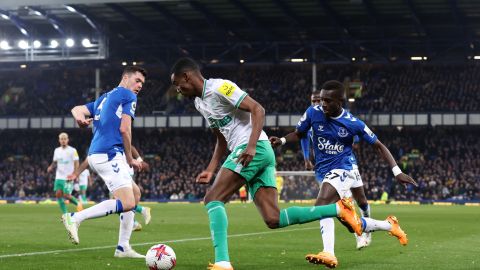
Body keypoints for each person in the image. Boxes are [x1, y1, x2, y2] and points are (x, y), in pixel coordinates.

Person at [170, 58, 362, 270]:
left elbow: (258, 109)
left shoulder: (219, 87)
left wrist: (251, 147)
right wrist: (210, 168)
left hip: (253, 149)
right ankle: (338, 209)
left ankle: (223, 262)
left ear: (187, 76)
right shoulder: (200, 103)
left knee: (213, 199)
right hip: (254, 151)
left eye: (178, 84)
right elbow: (221, 138)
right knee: (273, 218)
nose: (178, 90)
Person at [270, 80, 418, 268]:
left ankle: (329, 253)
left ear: (340, 101)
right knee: (351, 224)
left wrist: (397, 171)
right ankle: (389, 225)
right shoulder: (313, 112)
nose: (322, 104)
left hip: (344, 169)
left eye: (327, 101)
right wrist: (282, 140)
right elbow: (299, 133)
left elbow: (379, 146)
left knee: (322, 204)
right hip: (323, 171)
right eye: (321, 99)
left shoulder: (353, 123)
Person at [63, 66, 146, 259]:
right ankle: (75, 217)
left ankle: (123, 247)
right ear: (125, 78)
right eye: (137, 80)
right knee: (126, 202)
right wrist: (130, 158)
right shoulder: (128, 96)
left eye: (142, 83)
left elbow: (76, 109)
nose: (140, 85)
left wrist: (79, 119)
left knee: (135, 193)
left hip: (97, 154)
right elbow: (125, 129)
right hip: (109, 153)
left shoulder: (104, 98)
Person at [301, 90, 372, 250]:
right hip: (325, 168)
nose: (317, 104)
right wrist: (307, 158)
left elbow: (355, 135)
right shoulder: (312, 118)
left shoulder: (337, 118)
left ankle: (367, 223)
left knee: (361, 200)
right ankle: (357, 233)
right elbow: (303, 137)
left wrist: (350, 140)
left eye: (319, 100)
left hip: (345, 163)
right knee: (336, 204)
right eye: (314, 101)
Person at [47, 132, 82, 214]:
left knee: (66, 195)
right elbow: (55, 162)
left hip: (68, 176)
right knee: (58, 194)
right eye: (61, 139)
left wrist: (75, 173)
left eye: (64, 139)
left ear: (67, 140)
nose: (63, 141)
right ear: (59, 140)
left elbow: (76, 162)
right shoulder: (57, 150)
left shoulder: (73, 150)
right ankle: (65, 214)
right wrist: (51, 167)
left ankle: (78, 203)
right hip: (59, 176)